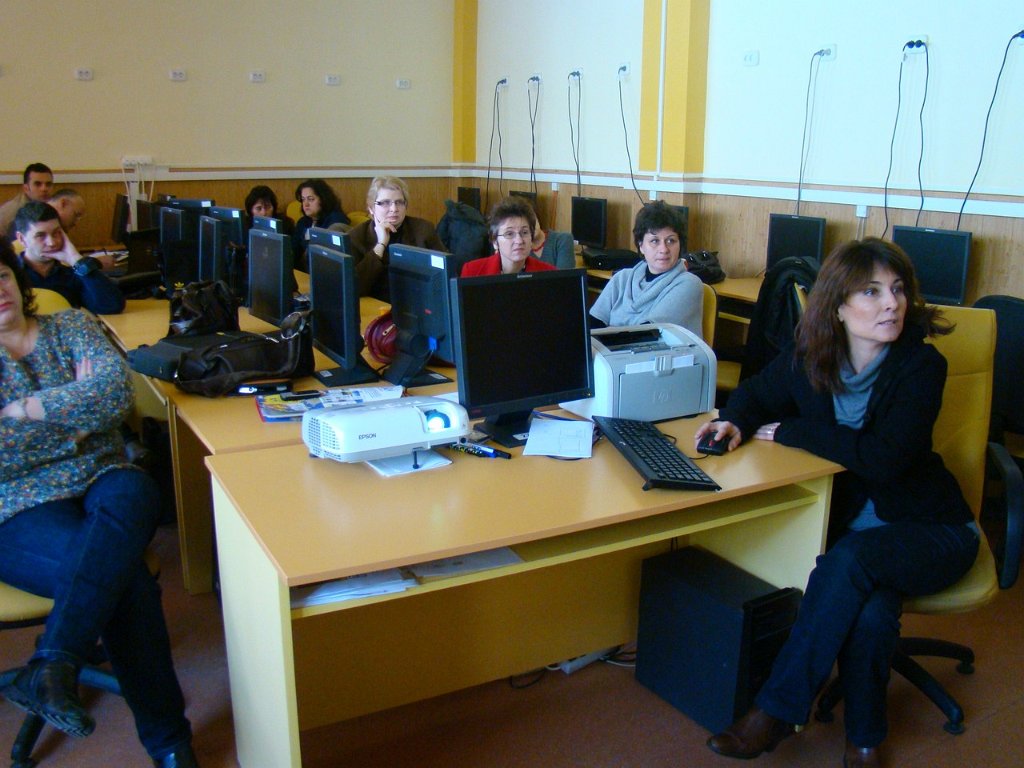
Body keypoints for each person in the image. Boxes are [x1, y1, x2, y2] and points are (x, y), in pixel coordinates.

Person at [695, 238, 979, 768]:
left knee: (848, 561)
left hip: (934, 530)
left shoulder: (921, 366)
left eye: (897, 290)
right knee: (870, 613)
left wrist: (797, 431)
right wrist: (734, 420)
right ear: (838, 307)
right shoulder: (811, 358)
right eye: (871, 291)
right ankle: (865, 741)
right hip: (859, 538)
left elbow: (884, 459)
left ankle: (775, 711)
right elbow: (755, 392)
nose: (891, 303)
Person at [0, 241, 200, 767]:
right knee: (124, 578)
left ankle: (50, 666)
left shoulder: (70, 326)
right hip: (15, 504)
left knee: (136, 490)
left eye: (0, 276)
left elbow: (115, 395)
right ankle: (170, 744)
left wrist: (25, 409)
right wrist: (76, 414)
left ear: (16, 278)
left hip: (104, 477)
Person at [588, 200, 702, 337]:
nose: (664, 249)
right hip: (610, 349)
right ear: (641, 245)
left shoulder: (689, 284)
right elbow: (591, 327)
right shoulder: (622, 279)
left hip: (653, 351)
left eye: (671, 241)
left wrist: (606, 335)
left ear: (680, 245)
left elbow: (647, 335)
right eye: (655, 241)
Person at [14, 202, 125, 315]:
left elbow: (112, 306)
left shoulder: (73, 273)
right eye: (41, 236)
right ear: (22, 239)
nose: (52, 243)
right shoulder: (11, 274)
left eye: (56, 233)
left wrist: (75, 258)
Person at [349, 176, 445, 300]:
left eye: (399, 202)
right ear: (371, 208)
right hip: (376, 305)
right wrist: (380, 245)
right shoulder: (357, 236)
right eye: (385, 203)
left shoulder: (423, 230)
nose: (394, 209)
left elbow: (445, 274)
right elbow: (354, 287)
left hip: (418, 301)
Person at [461, 197, 556, 277]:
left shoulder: (549, 274)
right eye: (509, 234)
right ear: (495, 241)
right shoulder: (473, 272)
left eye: (524, 232)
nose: (519, 241)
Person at [291, 179, 349, 270]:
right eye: (303, 199)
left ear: (323, 199)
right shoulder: (303, 222)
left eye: (311, 199)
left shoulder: (336, 220)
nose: (305, 204)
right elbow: (293, 250)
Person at [1, 163, 55, 238]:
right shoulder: (10, 212)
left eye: (48, 184)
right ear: (26, 188)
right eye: (38, 184)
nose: (44, 189)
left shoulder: (52, 207)